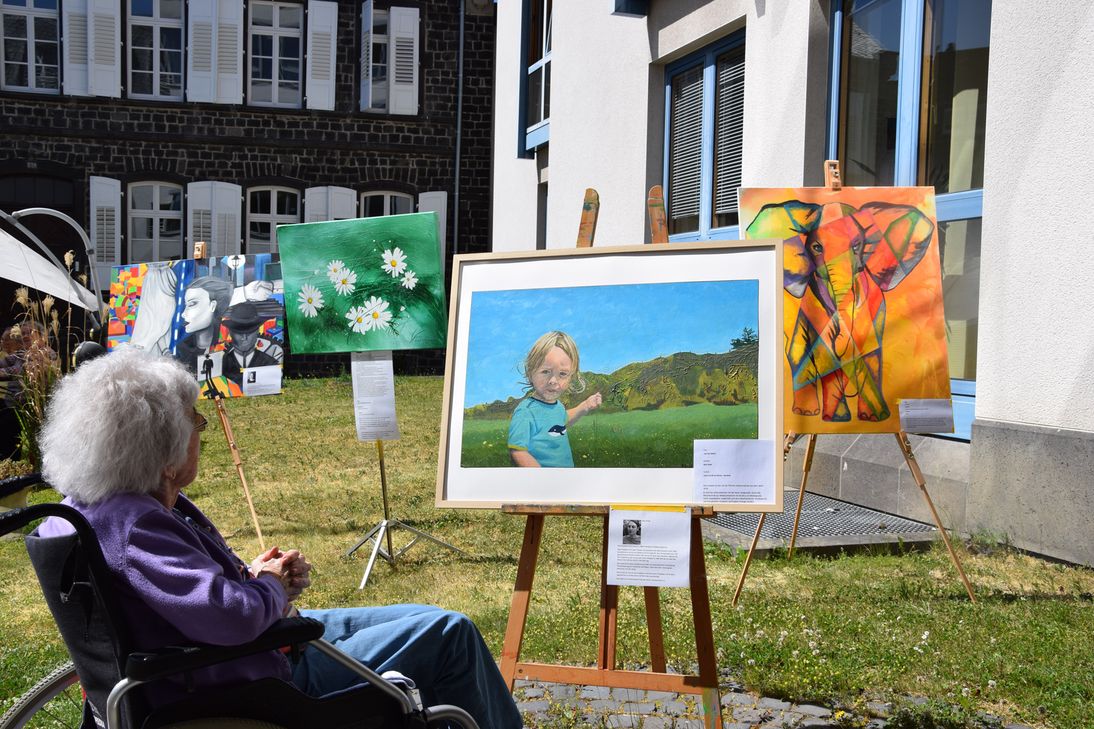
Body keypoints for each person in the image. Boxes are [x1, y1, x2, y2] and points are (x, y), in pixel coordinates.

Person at [36, 349, 522, 728]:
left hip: (235, 652)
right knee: (450, 634)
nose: (201, 432)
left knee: (428, 617)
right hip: (249, 678)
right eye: (196, 422)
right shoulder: (135, 525)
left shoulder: (92, 508)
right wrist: (268, 585)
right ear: (164, 453)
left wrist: (253, 576)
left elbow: (181, 595)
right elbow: (230, 616)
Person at [508, 331, 602, 467]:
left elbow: (562, 421)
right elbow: (518, 451)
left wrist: (585, 406)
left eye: (562, 374)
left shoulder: (558, 406)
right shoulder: (526, 412)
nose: (553, 380)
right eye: (545, 371)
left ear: (571, 377)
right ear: (530, 373)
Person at [175, 276, 233, 373]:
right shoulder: (182, 349)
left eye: (192, 304)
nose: (183, 314)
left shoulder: (232, 344)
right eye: (186, 305)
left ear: (213, 306)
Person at [221, 302, 284, 388]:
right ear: (230, 332)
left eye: (249, 331)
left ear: (257, 331)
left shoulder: (270, 363)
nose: (244, 337)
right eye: (239, 332)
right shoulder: (221, 365)